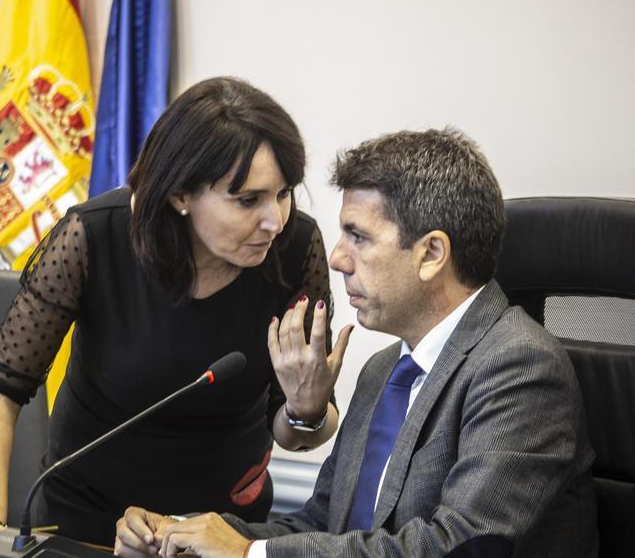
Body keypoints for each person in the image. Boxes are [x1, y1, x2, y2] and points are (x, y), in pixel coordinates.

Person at [115, 128, 598, 557]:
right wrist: (181, 534)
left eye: (358, 237)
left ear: (431, 253)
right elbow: (320, 524)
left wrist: (248, 554)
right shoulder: (383, 371)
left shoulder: (520, 366)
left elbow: (462, 544)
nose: (338, 259)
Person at [0, 77, 353, 554]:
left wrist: (305, 409)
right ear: (180, 195)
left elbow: (295, 434)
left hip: (222, 530)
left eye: (283, 193)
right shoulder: (93, 239)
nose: (274, 219)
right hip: (86, 522)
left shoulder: (294, 249)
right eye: (248, 200)